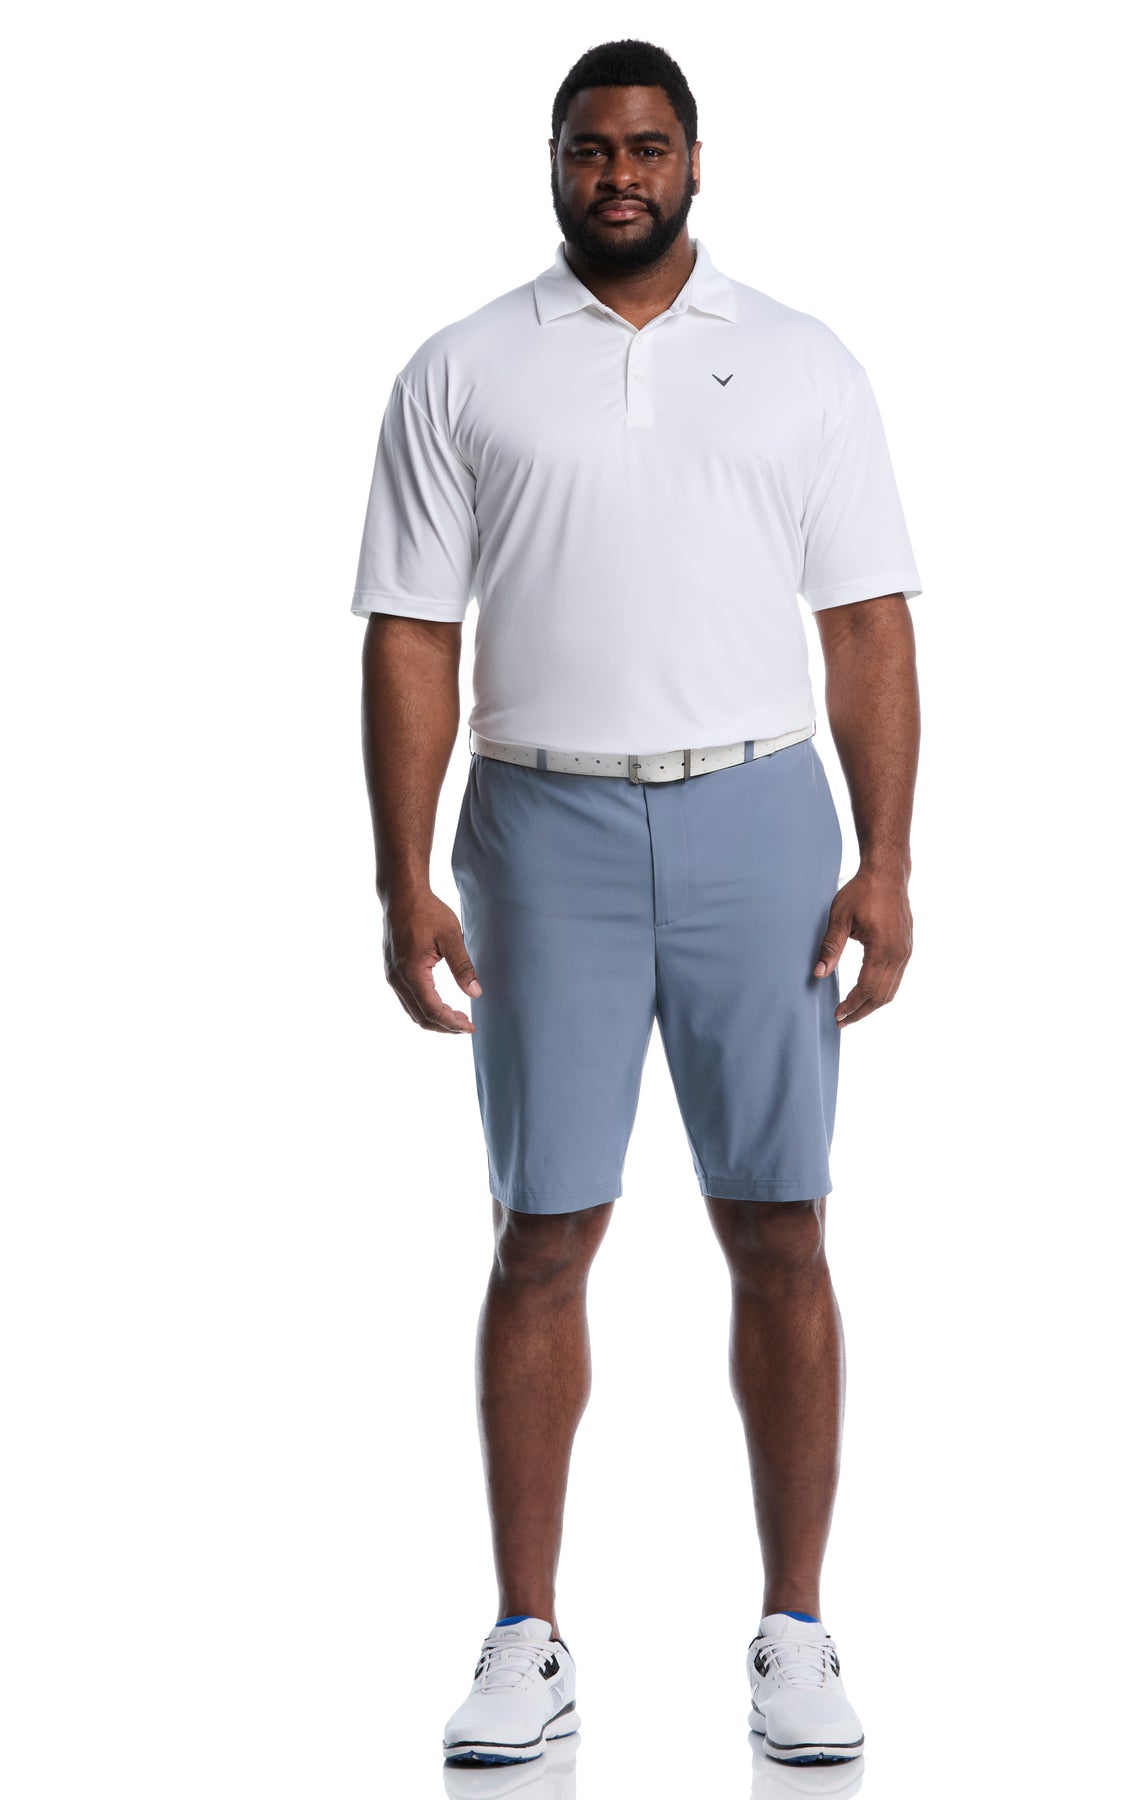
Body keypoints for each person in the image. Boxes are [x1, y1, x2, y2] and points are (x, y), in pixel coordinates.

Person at [350, 37, 923, 1771]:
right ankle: (525, 1637)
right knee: (541, 1233)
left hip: (759, 818)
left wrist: (887, 858)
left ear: (692, 161)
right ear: (554, 161)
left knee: (783, 1227)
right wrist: (399, 873)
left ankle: (795, 1631)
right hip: (543, 831)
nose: (619, 174)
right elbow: (412, 634)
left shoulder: (801, 362)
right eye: (591, 147)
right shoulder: (462, 368)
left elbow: (865, 625)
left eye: (648, 146)